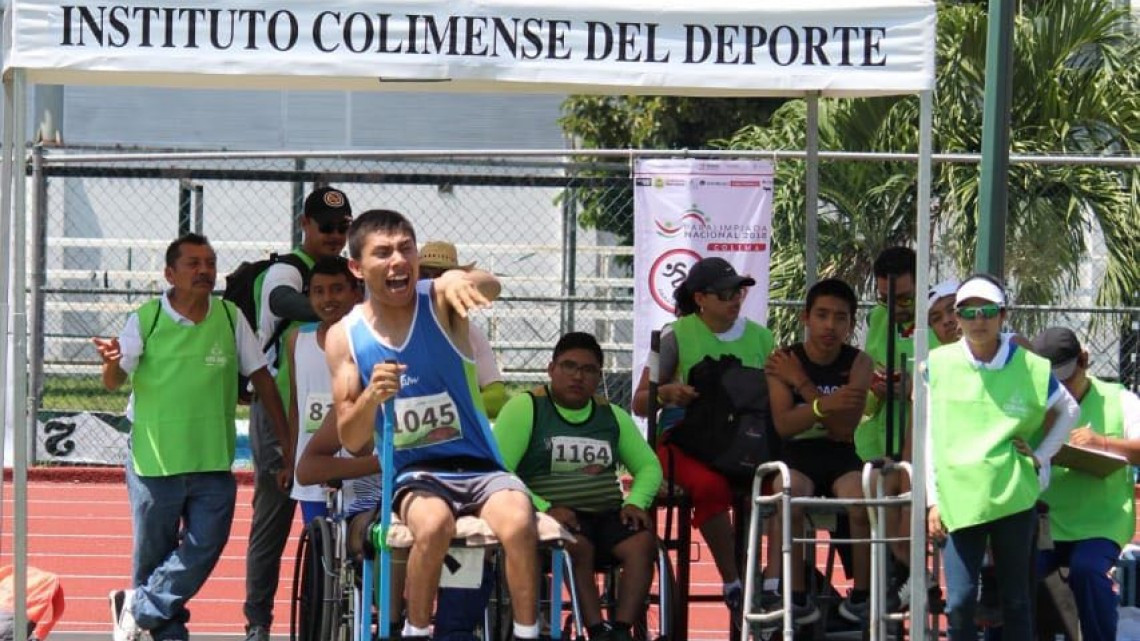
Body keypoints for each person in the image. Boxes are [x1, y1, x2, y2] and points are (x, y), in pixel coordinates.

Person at [327, 209, 540, 641]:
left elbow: (490, 286)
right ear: (357, 267)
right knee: (434, 523)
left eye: (406, 249)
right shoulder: (345, 337)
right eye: (383, 253)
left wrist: (467, 278)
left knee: (519, 520)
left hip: (481, 468)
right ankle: (417, 629)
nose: (398, 261)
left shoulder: (440, 299)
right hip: (417, 475)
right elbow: (352, 441)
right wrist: (372, 396)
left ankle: (526, 632)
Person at [93, 233, 290, 641]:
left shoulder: (230, 317)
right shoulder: (146, 319)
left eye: (210, 263)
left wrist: (286, 444)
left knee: (204, 548)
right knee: (153, 561)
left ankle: (137, 606)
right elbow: (113, 382)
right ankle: (161, 627)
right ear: (170, 273)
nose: (204, 271)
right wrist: (111, 362)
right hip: (154, 463)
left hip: (212, 463)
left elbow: (263, 382)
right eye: (193, 263)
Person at [925, 275, 1079, 641]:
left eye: (988, 311)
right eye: (970, 312)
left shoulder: (1031, 366)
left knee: (1016, 600)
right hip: (959, 497)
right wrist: (933, 500)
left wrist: (1041, 456)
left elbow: (1068, 409)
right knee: (960, 601)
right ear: (959, 318)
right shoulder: (938, 363)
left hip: (1014, 495)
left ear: (1003, 315)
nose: (979, 320)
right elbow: (929, 435)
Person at [631, 256, 776, 619]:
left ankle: (773, 582)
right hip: (686, 442)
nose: (735, 299)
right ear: (700, 298)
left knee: (779, 484)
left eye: (738, 292)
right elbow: (640, 402)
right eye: (725, 293)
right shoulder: (674, 335)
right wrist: (667, 393)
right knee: (713, 487)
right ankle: (734, 583)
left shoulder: (762, 337)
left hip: (743, 444)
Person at [495, 332, 663, 641]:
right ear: (551, 369)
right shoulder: (526, 408)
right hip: (551, 517)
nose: (577, 376)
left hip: (608, 512)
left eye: (588, 370)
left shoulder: (612, 416)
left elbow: (649, 466)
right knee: (577, 547)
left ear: (599, 376)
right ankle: (596, 630)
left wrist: (636, 501)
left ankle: (622, 631)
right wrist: (544, 509)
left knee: (642, 543)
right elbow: (501, 470)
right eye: (568, 366)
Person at [245, 185, 353, 641]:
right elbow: (282, 304)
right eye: (324, 226)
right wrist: (341, 302)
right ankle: (259, 622)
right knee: (274, 518)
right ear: (304, 226)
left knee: (335, 522)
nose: (333, 235)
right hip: (279, 414)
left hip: (333, 413)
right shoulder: (285, 271)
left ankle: (323, 619)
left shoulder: (345, 275)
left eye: (342, 227)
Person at [761, 278, 873, 624]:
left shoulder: (860, 363)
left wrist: (805, 390)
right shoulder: (783, 361)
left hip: (842, 457)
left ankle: (863, 596)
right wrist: (828, 403)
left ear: (851, 325)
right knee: (788, 494)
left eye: (840, 318)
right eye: (822, 315)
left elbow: (842, 429)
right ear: (805, 318)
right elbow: (784, 425)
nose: (830, 326)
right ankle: (793, 595)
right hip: (797, 456)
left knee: (861, 501)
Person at [1031, 327, 1140, 641]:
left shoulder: (1120, 399)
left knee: (1088, 569)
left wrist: (1102, 443)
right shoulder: (1033, 402)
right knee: (1023, 573)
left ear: (1084, 361)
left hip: (1101, 522)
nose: (1060, 388)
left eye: (1066, 378)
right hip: (1047, 521)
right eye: (1052, 382)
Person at [285, 256, 363, 525]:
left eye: (337, 289)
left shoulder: (370, 339)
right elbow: (296, 406)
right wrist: (290, 459)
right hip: (314, 473)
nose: (328, 298)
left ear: (356, 292)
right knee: (321, 552)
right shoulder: (297, 339)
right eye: (319, 291)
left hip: (360, 472)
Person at [418, 240, 509, 419]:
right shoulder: (401, 325)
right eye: (425, 275)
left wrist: (449, 411)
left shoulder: (471, 333)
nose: (434, 283)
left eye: (442, 275)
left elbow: (497, 398)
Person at [858, 246, 918, 463]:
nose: (894, 308)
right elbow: (864, 398)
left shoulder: (944, 321)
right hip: (878, 446)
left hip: (926, 447)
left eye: (904, 299)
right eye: (885, 298)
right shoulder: (876, 318)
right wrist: (875, 385)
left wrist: (916, 388)